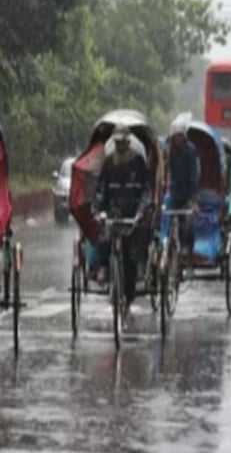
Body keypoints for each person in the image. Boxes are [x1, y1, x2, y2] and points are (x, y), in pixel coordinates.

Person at [92, 125, 152, 316]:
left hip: (132, 215)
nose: (120, 146)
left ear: (128, 142)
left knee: (130, 260)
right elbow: (101, 190)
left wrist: (141, 211)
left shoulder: (138, 163)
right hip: (113, 212)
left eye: (122, 143)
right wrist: (98, 210)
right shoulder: (109, 163)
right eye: (117, 143)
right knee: (103, 236)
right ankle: (103, 267)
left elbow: (146, 191)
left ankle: (128, 298)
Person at [165, 114, 200, 252]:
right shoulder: (168, 149)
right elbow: (164, 171)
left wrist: (193, 199)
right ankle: (165, 244)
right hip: (173, 193)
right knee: (165, 216)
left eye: (180, 136)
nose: (178, 139)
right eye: (176, 136)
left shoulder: (190, 150)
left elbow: (194, 175)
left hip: (187, 194)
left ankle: (188, 252)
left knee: (189, 225)